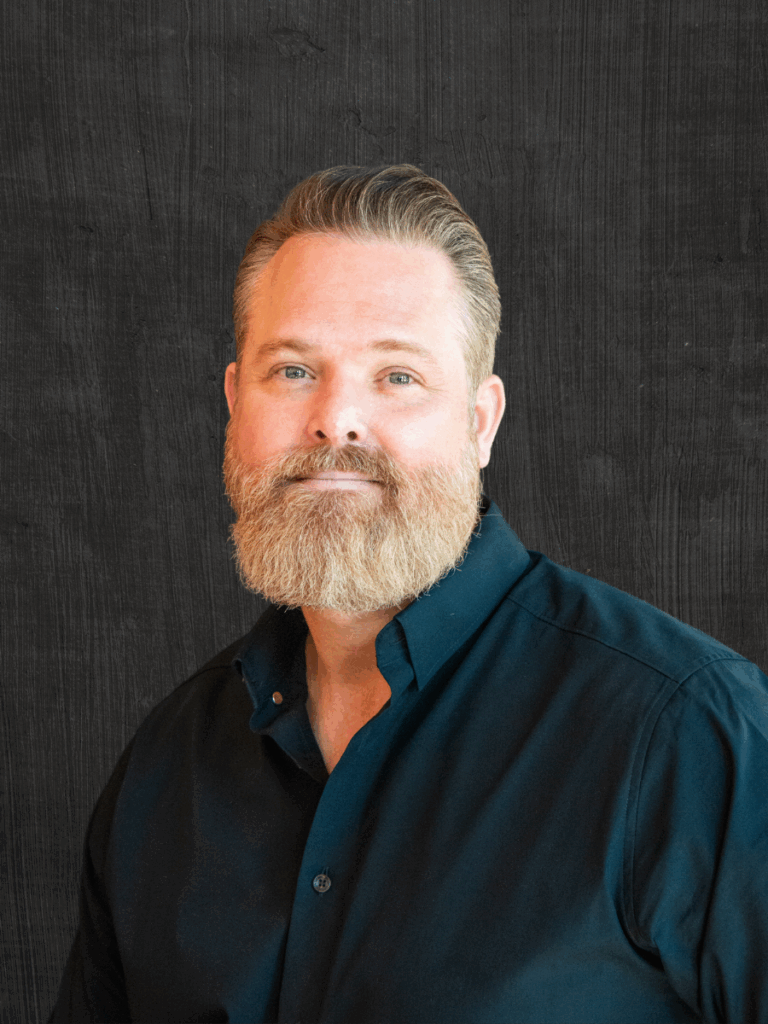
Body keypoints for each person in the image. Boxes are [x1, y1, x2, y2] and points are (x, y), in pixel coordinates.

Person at [50, 165, 768, 1024]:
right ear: (235, 404)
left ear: (480, 421)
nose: (336, 420)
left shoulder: (690, 734)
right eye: (292, 371)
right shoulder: (167, 771)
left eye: (397, 376)